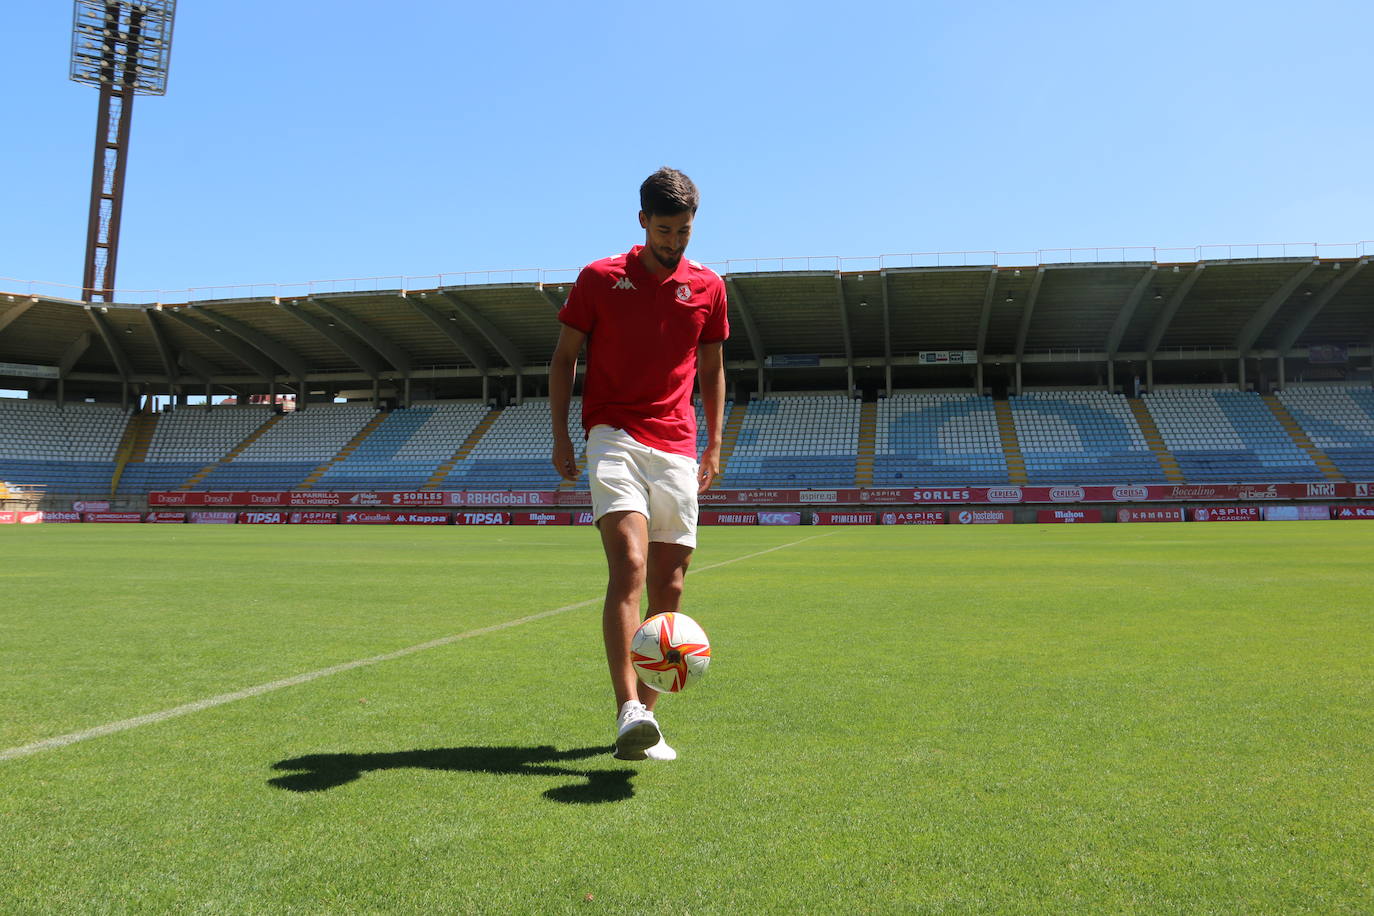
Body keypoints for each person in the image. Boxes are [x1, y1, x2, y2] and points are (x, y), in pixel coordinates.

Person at [549, 167, 728, 762]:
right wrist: (561, 436)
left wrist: (714, 442)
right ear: (642, 220)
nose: (676, 242)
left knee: (669, 585)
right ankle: (627, 706)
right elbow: (564, 358)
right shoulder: (599, 279)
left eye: (685, 231)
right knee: (628, 562)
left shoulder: (709, 286)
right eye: (666, 229)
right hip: (613, 435)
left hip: (677, 444)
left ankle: (648, 719)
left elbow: (712, 368)